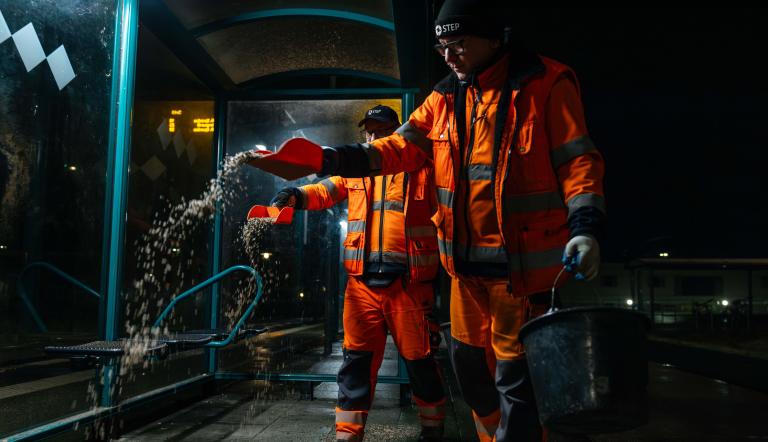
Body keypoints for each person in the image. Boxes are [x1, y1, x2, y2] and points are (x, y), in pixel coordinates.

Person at [314, 1, 606, 440]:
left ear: (494, 38)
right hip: (464, 276)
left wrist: (585, 228)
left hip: (520, 276)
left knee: (515, 380)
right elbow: (400, 146)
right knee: (470, 372)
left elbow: (577, 162)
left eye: (457, 44)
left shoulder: (546, 84)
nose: (448, 56)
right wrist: (331, 158)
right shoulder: (445, 96)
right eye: (441, 46)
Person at [271, 105, 447, 442]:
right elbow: (325, 190)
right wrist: (294, 195)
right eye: (369, 129)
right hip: (361, 286)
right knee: (355, 364)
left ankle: (433, 427)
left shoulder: (421, 168)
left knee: (421, 362)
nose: (374, 134)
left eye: (381, 128)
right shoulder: (355, 171)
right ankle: (348, 434)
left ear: (396, 131)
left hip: (409, 284)